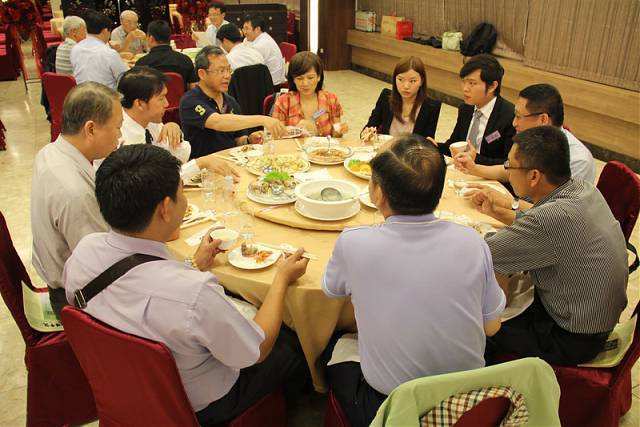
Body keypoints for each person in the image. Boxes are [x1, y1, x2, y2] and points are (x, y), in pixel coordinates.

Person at [63, 144, 311, 425]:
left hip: (120, 382)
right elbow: (256, 350)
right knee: (292, 341)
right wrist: (281, 279)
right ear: (165, 209)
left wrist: (192, 266)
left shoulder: (84, 251)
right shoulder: (194, 293)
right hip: (198, 405)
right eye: (181, 191)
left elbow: (139, 296)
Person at [322, 135, 505, 427]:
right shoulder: (472, 241)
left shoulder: (354, 243)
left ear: (378, 193)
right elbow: (491, 326)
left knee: (329, 345)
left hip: (390, 405)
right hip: (465, 403)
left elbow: (332, 291)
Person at [472, 126, 628, 365]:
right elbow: (540, 229)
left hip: (572, 336)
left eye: (509, 166)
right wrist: (499, 211)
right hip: (593, 315)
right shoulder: (582, 189)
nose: (507, 171)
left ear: (534, 176)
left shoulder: (552, 218)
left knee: (477, 326)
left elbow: (483, 254)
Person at [31, 82, 120, 317]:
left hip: (65, 274)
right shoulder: (75, 192)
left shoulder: (51, 151)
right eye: (117, 127)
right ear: (91, 129)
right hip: (79, 299)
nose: (120, 136)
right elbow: (101, 267)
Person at [454, 83, 596, 184]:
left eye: (518, 116)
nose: (514, 123)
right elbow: (509, 170)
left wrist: (509, 204)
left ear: (543, 119)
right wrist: (474, 168)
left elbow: (555, 211)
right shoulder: (533, 140)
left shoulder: (577, 160)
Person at [117, 66, 240, 181]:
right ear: (139, 104)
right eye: (161, 98)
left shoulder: (148, 120)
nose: (166, 104)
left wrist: (175, 130)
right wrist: (200, 163)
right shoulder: (123, 138)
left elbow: (180, 156)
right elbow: (155, 181)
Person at [179, 46, 285, 158]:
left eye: (228, 70)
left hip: (231, 161)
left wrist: (249, 140)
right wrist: (262, 119)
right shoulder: (190, 100)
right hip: (203, 165)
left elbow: (237, 140)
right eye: (221, 71)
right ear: (202, 74)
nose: (227, 76)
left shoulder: (230, 101)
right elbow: (218, 122)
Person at [430, 54, 515, 165]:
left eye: (472, 83)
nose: (465, 89)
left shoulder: (510, 116)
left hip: (488, 174)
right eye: (464, 81)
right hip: (462, 170)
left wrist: (474, 159)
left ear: (492, 86)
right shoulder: (466, 108)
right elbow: (455, 144)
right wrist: (436, 147)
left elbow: (508, 164)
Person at [272, 51, 348, 137]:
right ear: (293, 79)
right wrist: (295, 131)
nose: (305, 83)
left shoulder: (331, 99)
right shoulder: (284, 101)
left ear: (319, 77)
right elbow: (277, 136)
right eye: (299, 78)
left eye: (310, 78)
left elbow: (336, 136)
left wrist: (339, 130)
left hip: (323, 146)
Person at [363, 56, 441, 139]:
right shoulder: (385, 97)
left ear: (421, 81)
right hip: (386, 146)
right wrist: (367, 133)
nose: (406, 86)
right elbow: (370, 126)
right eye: (400, 79)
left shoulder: (431, 107)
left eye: (412, 81)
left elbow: (427, 141)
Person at [70, 10, 128, 89]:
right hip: (105, 95)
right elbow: (124, 78)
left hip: (81, 94)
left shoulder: (75, 48)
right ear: (105, 31)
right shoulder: (109, 53)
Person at [136, 20, 197, 90]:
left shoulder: (142, 63)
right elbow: (194, 88)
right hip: (181, 97)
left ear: (151, 38)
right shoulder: (185, 60)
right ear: (169, 37)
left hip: (153, 97)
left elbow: (138, 91)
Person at [242, 14, 286, 86]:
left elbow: (247, 66)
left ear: (257, 29)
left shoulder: (263, 44)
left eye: (247, 29)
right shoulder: (252, 38)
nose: (244, 32)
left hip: (272, 84)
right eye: (243, 29)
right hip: (262, 78)